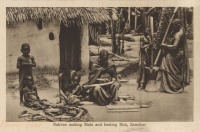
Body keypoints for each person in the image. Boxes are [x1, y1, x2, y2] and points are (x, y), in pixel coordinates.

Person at [158, 19, 190, 94]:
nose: (173, 27)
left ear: (177, 25)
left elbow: (174, 47)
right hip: (179, 53)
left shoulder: (178, 34)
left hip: (176, 54)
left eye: (174, 25)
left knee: (166, 61)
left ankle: (172, 87)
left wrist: (164, 45)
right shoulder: (182, 29)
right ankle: (171, 86)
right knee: (172, 66)